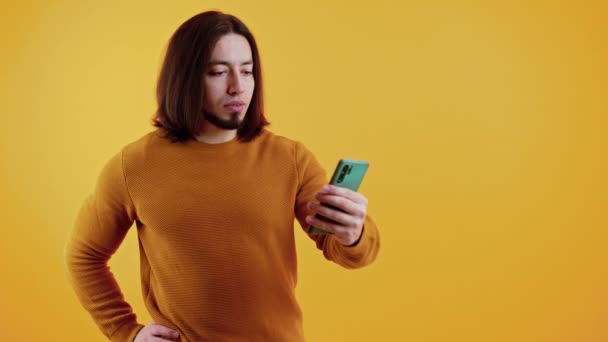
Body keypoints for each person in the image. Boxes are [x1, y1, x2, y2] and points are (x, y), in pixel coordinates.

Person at [65, 10, 380, 342]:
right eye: (218, 72)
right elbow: (84, 256)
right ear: (185, 78)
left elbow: (348, 251)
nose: (237, 86)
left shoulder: (291, 158)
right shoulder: (133, 166)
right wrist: (127, 333)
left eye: (247, 71)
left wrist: (353, 234)